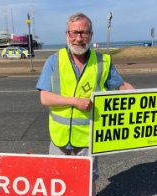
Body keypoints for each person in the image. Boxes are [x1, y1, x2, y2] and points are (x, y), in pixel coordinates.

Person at [37, 13, 135, 159]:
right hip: (59, 138)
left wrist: (155, 106)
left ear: (91, 35)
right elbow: (45, 98)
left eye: (83, 33)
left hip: (88, 138)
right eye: (74, 33)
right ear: (67, 35)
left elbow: (122, 86)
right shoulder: (54, 60)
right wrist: (75, 101)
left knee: (89, 180)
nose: (78, 38)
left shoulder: (103, 61)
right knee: (58, 179)